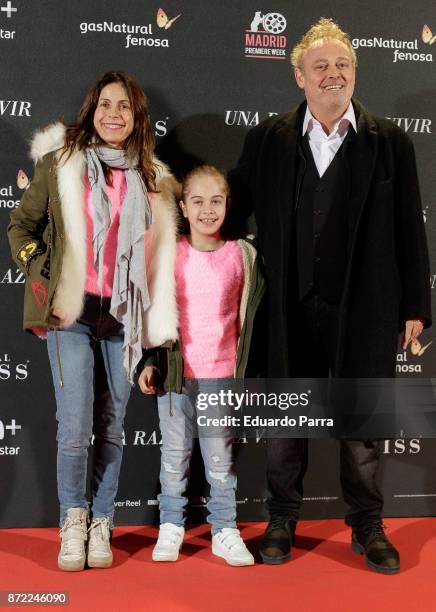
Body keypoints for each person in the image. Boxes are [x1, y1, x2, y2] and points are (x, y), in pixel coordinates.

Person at [229, 18, 431, 574]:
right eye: (320, 66)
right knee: (285, 423)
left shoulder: (389, 141)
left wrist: (416, 304)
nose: (333, 74)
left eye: (342, 64)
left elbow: (410, 230)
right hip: (288, 306)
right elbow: (229, 206)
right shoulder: (268, 139)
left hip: (364, 307)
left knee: (362, 424)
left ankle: (368, 525)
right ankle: (281, 519)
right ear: (300, 76)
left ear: (355, 72)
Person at [8, 71, 180, 571]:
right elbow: (22, 225)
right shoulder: (61, 165)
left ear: (136, 116)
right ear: (92, 109)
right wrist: (43, 267)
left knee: (111, 426)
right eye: (105, 104)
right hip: (74, 313)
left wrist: (155, 335)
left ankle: (103, 520)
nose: (113, 114)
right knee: (76, 425)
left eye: (123, 106)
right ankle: (73, 521)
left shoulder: (153, 178)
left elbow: (160, 263)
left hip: (124, 319)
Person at [138, 165, 265, 566]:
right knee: (173, 457)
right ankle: (171, 525)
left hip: (221, 375)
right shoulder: (169, 253)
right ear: (183, 206)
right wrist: (148, 360)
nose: (207, 210)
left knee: (220, 459)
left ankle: (224, 529)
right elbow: (151, 314)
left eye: (215, 201)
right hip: (176, 377)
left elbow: (252, 318)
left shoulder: (241, 256)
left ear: (227, 204)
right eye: (198, 201)